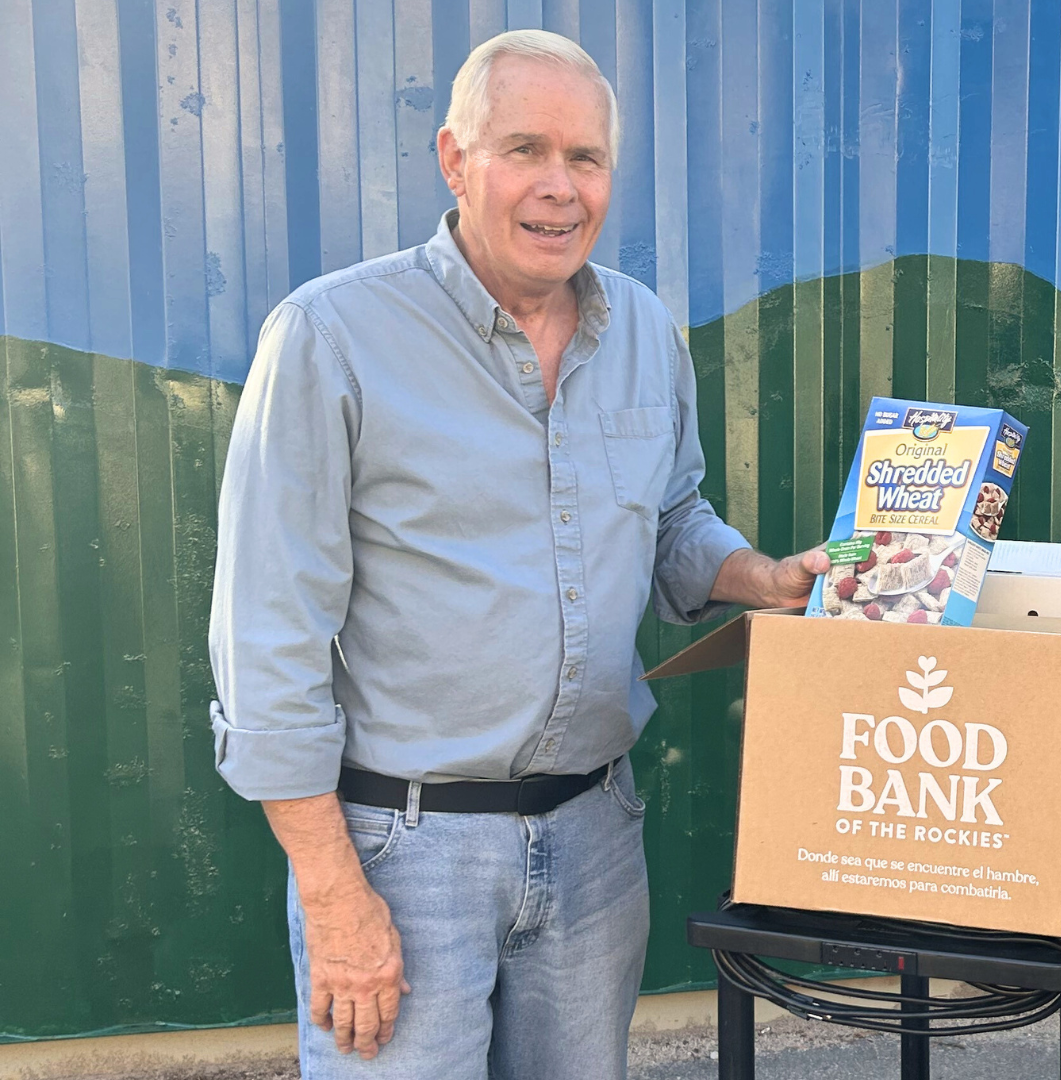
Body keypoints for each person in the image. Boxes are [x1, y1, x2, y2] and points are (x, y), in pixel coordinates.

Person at [207, 30, 826, 1079]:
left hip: (594, 837)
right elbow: (270, 634)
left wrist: (762, 580)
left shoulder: (642, 329)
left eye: (585, 158)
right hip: (404, 851)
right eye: (525, 150)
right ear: (456, 160)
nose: (559, 188)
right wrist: (332, 890)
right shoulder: (331, 336)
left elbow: (671, 521)